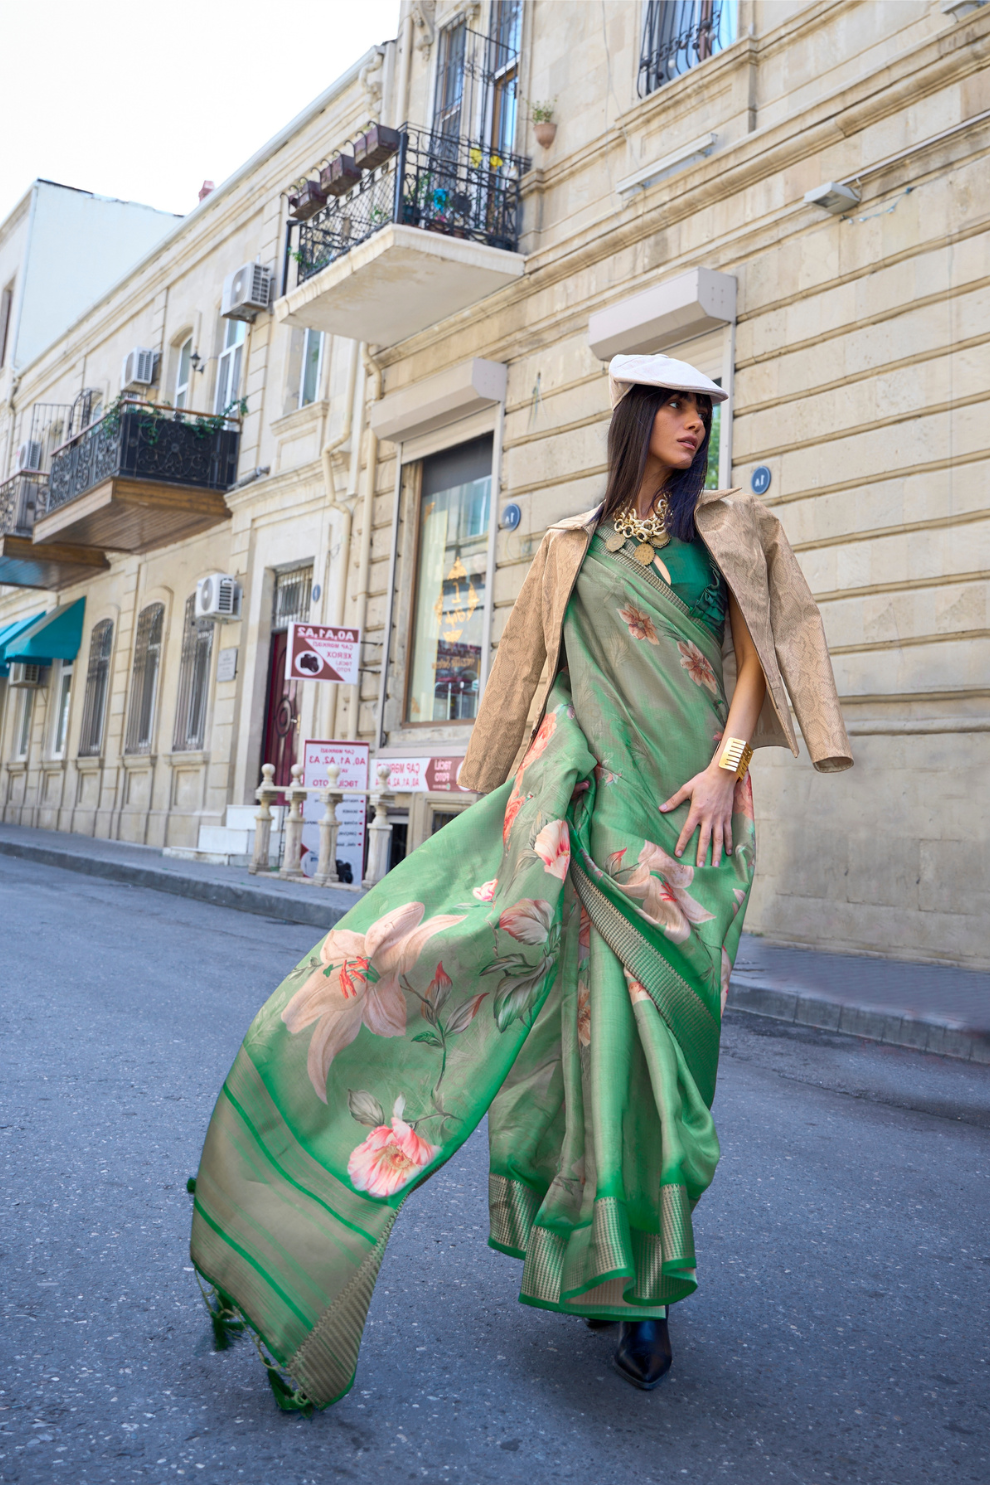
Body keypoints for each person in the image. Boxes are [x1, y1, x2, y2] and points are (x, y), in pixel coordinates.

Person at [189, 352, 852, 1409]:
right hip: (594, 821)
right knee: (593, 1051)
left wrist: (729, 767)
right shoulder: (564, 548)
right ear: (635, 419)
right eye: (674, 405)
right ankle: (632, 1288)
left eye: (703, 407)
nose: (693, 421)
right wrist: (523, 779)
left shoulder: (731, 529)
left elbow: (756, 657)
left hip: (697, 831)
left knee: (672, 1062)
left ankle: (622, 1255)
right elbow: (539, 676)